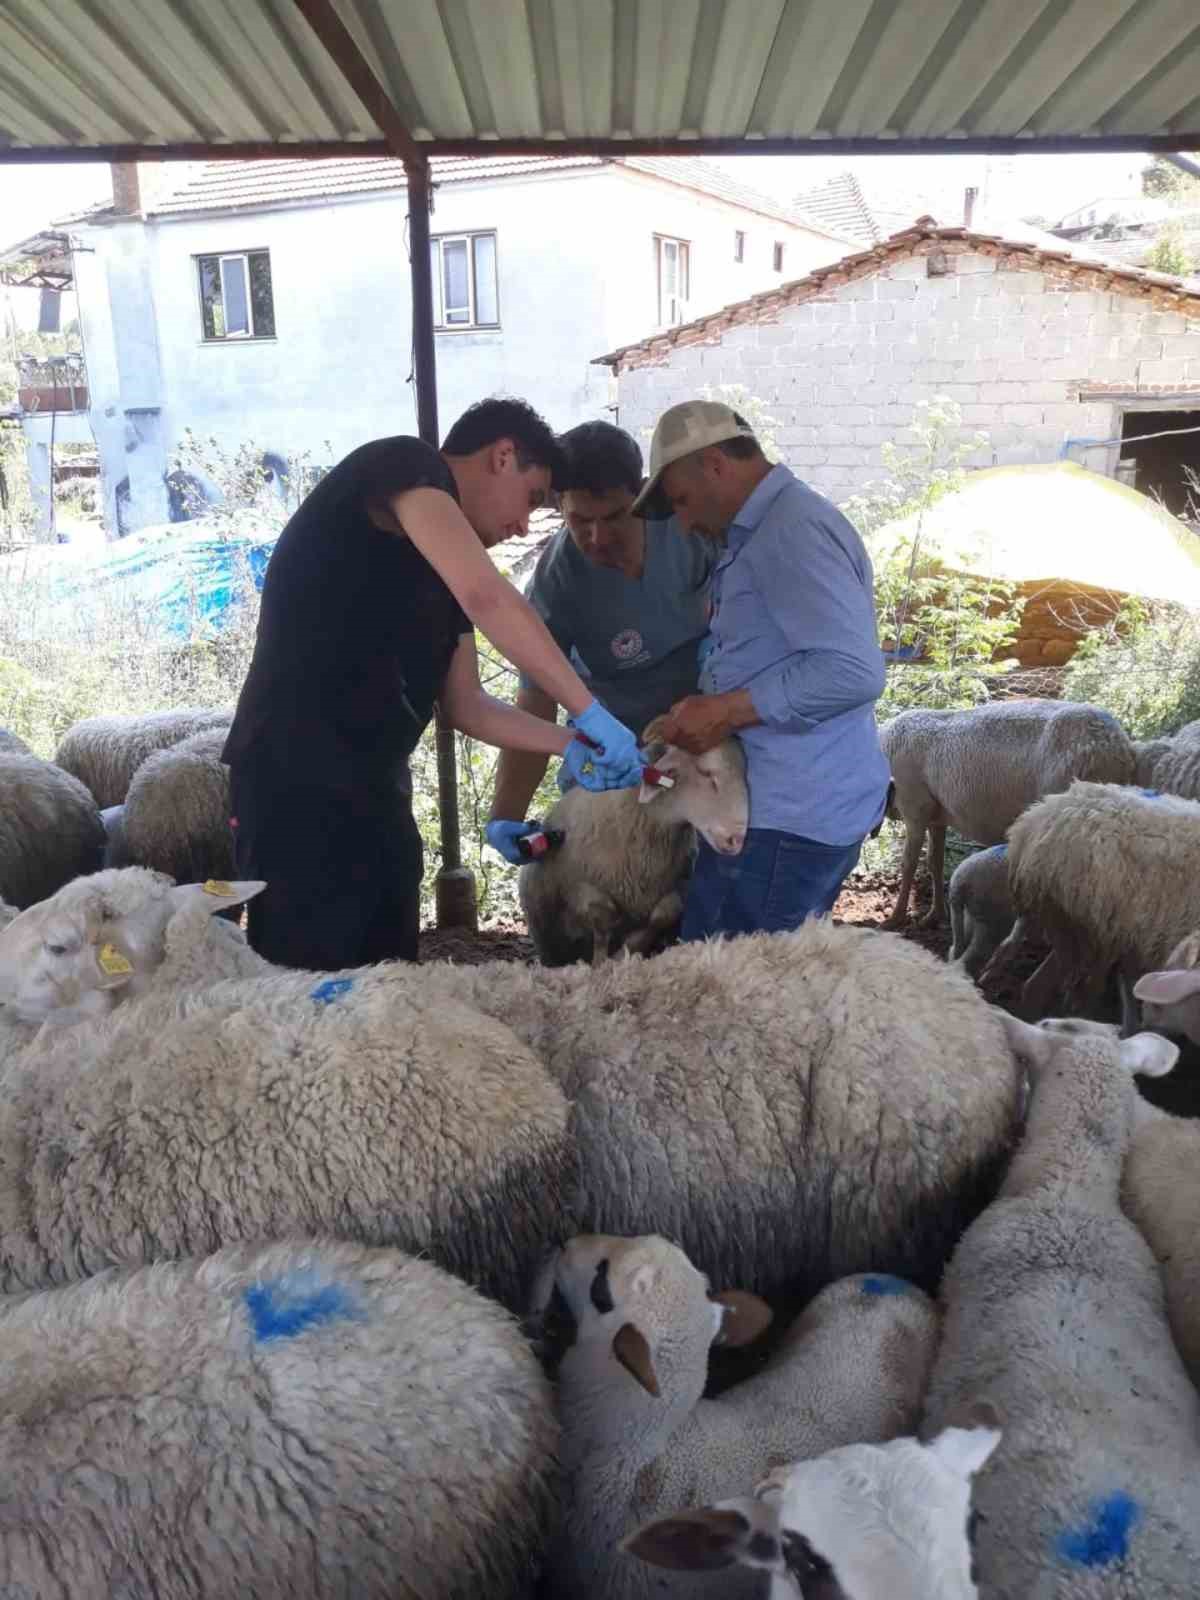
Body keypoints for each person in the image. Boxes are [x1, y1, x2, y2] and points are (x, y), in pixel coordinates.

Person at [221, 399, 644, 971]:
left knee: (389, 973)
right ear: (502, 456)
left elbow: (468, 707)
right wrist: (588, 708)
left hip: (374, 788)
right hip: (295, 781)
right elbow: (488, 595)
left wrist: (569, 741)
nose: (524, 525)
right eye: (532, 499)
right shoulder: (404, 465)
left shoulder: (443, 575)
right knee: (307, 976)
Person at [632, 398, 889, 940]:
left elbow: (851, 671)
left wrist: (724, 711)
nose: (684, 521)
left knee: (731, 1001)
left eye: (681, 501)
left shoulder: (790, 532)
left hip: (784, 824)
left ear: (716, 466)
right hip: (784, 812)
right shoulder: (766, 529)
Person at [486, 420, 716, 862]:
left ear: (645, 495)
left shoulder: (691, 532)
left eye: (615, 517)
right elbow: (535, 700)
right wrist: (506, 814)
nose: (598, 537)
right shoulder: (557, 581)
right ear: (559, 507)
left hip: (704, 738)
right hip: (615, 766)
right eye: (580, 521)